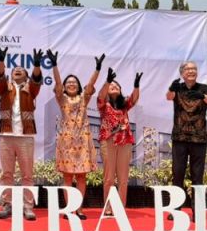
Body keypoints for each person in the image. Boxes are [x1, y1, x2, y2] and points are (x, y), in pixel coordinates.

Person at [0, 46, 43, 221]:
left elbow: (36, 80)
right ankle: (7, 204)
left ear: (26, 76)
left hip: (26, 137)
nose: (18, 70)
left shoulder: (31, 89)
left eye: (21, 70)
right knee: (7, 174)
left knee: (27, 175)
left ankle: (27, 206)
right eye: (15, 69)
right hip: (6, 135)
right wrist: (1, 61)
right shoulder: (4, 88)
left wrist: (36, 65)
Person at [49, 50, 97, 220]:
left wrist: (97, 69)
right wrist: (55, 66)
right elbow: (58, 84)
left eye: (74, 82)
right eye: (68, 82)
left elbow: (90, 86)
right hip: (67, 142)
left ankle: (80, 209)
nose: (71, 84)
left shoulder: (84, 98)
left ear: (78, 85)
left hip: (83, 141)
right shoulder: (61, 98)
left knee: (82, 177)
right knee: (68, 177)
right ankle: (69, 209)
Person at [166, 61, 207, 209]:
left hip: (198, 138)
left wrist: (202, 96)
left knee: (197, 176)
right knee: (177, 174)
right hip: (180, 137)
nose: (191, 71)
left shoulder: (203, 88)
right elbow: (169, 97)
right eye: (188, 69)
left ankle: (197, 210)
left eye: (194, 69)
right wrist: (171, 88)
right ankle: (176, 209)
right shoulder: (178, 88)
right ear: (182, 73)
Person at [97, 62, 142, 213]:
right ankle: (108, 207)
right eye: (112, 85)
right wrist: (107, 81)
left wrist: (136, 86)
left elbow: (134, 99)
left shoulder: (125, 105)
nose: (114, 86)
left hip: (125, 141)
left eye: (117, 85)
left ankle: (121, 207)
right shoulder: (103, 105)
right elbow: (100, 95)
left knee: (123, 178)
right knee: (109, 177)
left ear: (121, 90)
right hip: (108, 140)